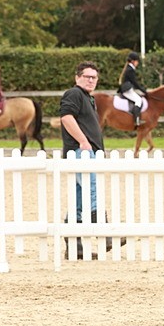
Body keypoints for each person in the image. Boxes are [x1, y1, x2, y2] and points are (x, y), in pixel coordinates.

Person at [60, 61, 105, 224]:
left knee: (78, 199)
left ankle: (75, 245)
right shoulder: (74, 93)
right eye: (87, 77)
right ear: (77, 77)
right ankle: (104, 232)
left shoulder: (88, 98)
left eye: (94, 77)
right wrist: (83, 142)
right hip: (82, 152)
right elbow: (66, 117)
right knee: (93, 190)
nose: (91, 80)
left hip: (87, 152)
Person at [119, 51, 149, 127]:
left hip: (128, 88)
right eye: (137, 61)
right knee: (138, 100)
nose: (137, 63)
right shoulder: (130, 70)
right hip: (127, 89)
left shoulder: (129, 68)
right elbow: (135, 83)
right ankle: (136, 120)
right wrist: (144, 91)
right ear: (133, 61)